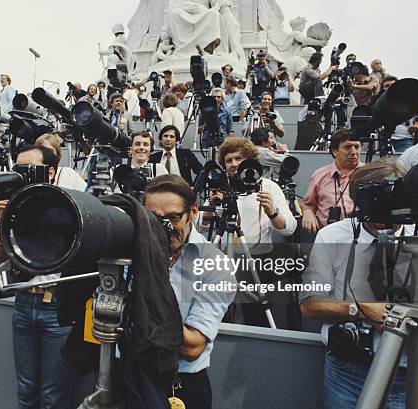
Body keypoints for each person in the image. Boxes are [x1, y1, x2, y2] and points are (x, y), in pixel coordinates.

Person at [300, 159, 418, 409]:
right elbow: (309, 305)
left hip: (415, 375)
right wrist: (359, 309)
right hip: (348, 374)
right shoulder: (332, 236)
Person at [0, 145, 79, 409]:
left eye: (30, 169)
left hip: (57, 308)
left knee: (53, 396)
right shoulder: (16, 208)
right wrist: (3, 226)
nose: (22, 176)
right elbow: (1, 260)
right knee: (26, 391)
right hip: (23, 303)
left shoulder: (70, 206)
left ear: (50, 172)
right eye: (18, 170)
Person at [143, 174, 234, 409]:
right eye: (154, 218)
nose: (164, 227)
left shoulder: (215, 263)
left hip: (182, 384)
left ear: (193, 212)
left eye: (173, 217)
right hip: (131, 375)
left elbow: (192, 347)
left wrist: (145, 297)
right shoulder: (131, 252)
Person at [202, 138, 296, 326]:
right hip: (222, 261)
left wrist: (272, 212)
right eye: (229, 160)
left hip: (257, 263)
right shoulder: (220, 185)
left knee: (257, 317)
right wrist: (211, 204)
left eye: (239, 159)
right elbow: (202, 226)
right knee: (214, 316)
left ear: (251, 161)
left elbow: (289, 228)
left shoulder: (269, 187)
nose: (234, 164)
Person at [302, 128, 362, 234]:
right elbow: (308, 204)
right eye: (347, 147)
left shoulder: (370, 174)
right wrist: (307, 212)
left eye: (357, 147)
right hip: (328, 236)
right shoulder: (320, 176)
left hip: (362, 237)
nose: (353, 152)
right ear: (334, 151)